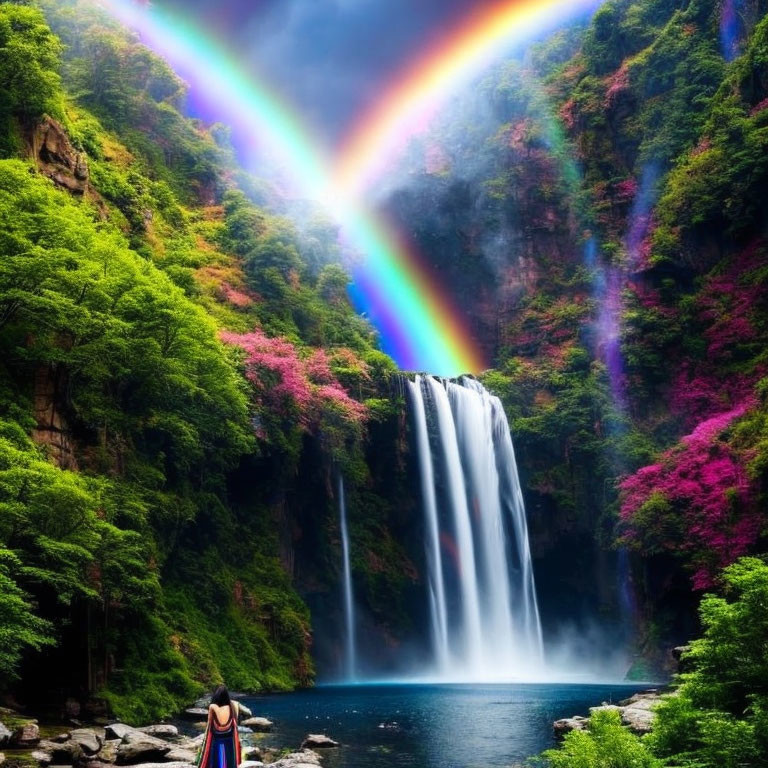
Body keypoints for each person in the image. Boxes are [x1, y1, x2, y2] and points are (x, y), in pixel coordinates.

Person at [197, 685, 241, 768]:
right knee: (228, 757)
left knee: (217, 756)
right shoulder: (233, 705)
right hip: (229, 737)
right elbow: (236, 720)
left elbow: (209, 724)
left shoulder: (213, 706)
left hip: (217, 737)